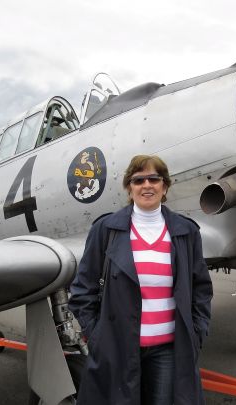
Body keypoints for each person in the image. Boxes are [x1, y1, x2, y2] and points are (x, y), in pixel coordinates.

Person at [69, 155, 213, 405]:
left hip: (168, 349)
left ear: (164, 186)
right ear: (129, 187)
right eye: (138, 180)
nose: (147, 185)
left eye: (154, 179)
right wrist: (96, 335)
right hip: (117, 348)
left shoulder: (185, 232)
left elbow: (201, 288)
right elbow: (83, 289)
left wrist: (197, 332)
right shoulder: (106, 230)